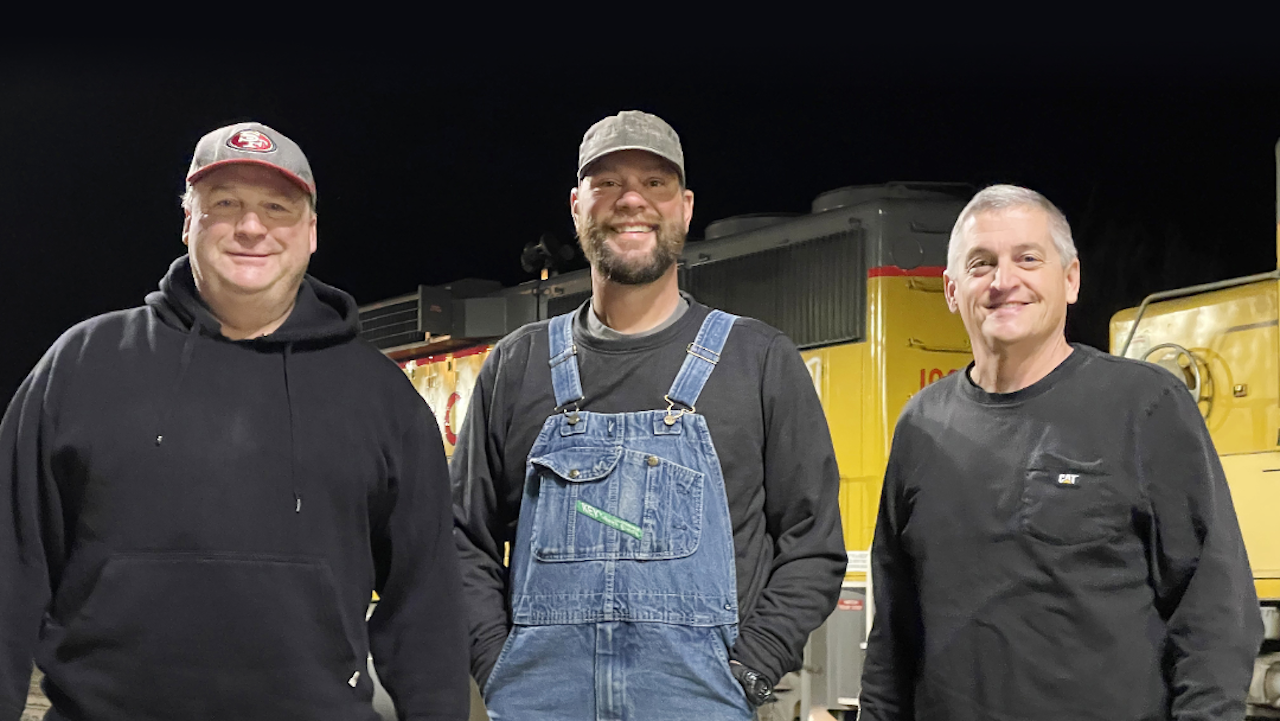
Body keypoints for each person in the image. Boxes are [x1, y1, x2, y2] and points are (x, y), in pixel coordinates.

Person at [0, 122, 469, 721]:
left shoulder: (382, 396)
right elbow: (10, 568)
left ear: (312, 231)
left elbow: (426, 611)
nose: (251, 227)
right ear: (188, 221)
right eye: (226, 204)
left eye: (277, 207)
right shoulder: (82, 364)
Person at [451, 110, 846, 720]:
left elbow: (812, 545)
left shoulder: (758, 359)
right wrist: (497, 667)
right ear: (577, 205)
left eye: (655, 184)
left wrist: (752, 668)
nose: (631, 200)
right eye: (608, 184)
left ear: (685, 207)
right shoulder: (517, 365)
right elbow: (461, 539)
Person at [859, 184, 1264, 720]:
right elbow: (894, 629)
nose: (1004, 281)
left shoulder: (1144, 406)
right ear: (952, 291)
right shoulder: (921, 426)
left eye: (1028, 259)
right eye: (981, 264)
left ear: (1070, 279)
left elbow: (1214, 608)